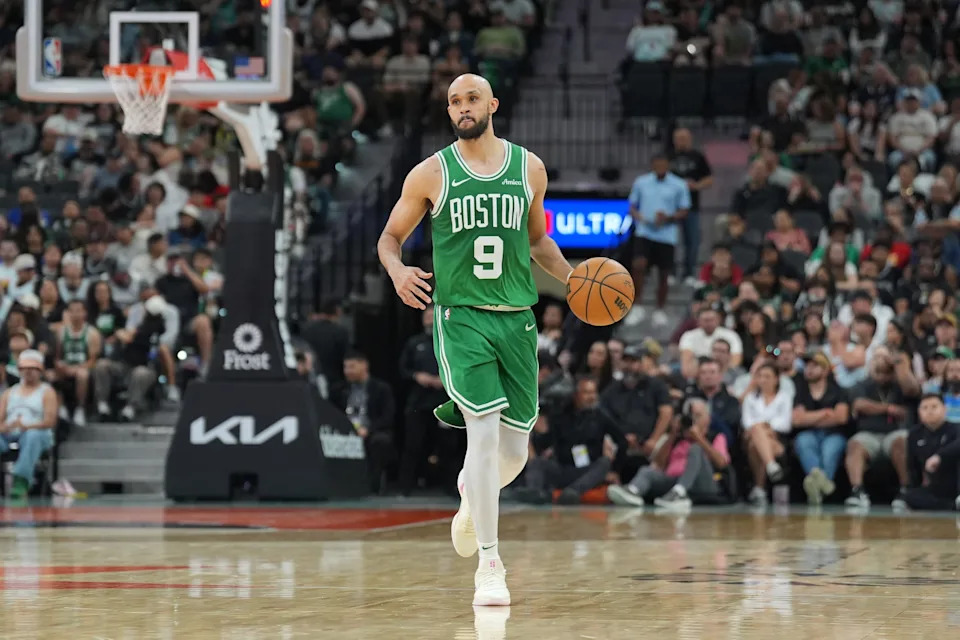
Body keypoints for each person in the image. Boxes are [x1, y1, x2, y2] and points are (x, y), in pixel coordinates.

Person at [377, 74, 576, 606]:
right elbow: (390, 237)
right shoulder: (432, 173)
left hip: (517, 318)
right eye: (453, 103)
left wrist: (573, 280)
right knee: (482, 436)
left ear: (492, 104)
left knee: (512, 456)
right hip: (461, 318)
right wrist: (397, 271)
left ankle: (471, 495)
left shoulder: (529, 168)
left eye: (470, 100)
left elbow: (536, 240)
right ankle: (490, 563)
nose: (462, 109)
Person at [606, 397, 730, 510]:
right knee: (646, 470)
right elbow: (658, 464)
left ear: (708, 418)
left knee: (695, 449)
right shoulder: (677, 438)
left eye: (698, 416)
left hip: (703, 484)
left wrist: (699, 439)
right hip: (673, 482)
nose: (694, 420)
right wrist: (672, 435)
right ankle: (633, 491)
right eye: (691, 416)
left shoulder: (715, 437)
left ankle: (679, 494)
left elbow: (722, 463)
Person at [519, 376, 625, 505]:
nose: (591, 397)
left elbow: (622, 440)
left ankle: (573, 493)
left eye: (593, 392)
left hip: (588, 471)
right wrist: (542, 431)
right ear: (576, 395)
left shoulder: (601, 416)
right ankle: (534, 493)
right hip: (563, 468)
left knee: (604, 462)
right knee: (537, 463)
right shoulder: (559, 416)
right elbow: (544, 443)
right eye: (586, 393)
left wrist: (615, 470)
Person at [844, 349, 921, 509]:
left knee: (901, 441)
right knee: (854, 445)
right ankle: (857, 491)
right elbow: (859, 404)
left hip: (894, 433)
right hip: (869, 434)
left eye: (884, 358)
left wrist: (899, 365)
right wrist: (889, 408)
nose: (882, 373)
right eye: (877, 358)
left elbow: (913, 390)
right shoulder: (863, 384)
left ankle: (905, 490)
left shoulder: (900, 384)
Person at [623, 154, 692, 327]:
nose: (660, 167)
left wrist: (669, 217)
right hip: (645, 232)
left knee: (664, 273)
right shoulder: (641, 182)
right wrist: (639, 216)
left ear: (668, 165)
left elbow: (684, 210)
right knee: (638, 265)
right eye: (657, 164)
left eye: (663, 164)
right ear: (653, 165)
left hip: (666, 234)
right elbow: (632, 206)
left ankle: (660, 309)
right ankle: (636, 305)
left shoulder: (679, 185)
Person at [331, 351, 395, 495]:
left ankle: (373, 487)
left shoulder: (381, 389)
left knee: (381, 441)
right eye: (345, 367)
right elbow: (332, 413)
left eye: (352, 367)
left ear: (364, 366)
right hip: (343, 431)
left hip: (371, 431)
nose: (348, 371)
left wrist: (368, 430)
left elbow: (387, 416)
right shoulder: (339, 389)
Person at [791, 350, 849, 504]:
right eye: (807, 366)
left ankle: (816, 488)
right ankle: (824, 486)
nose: (809, 369)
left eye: (814, 366)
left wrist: (809, 417)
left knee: (830, 450)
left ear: (825, 370)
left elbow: (841, 418)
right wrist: (825, 413)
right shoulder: (800, 392)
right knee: (803, 442)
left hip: (834, 434)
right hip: (808, 434)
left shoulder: (838, 390)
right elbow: (797, 421)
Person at [0, 350, 57, 499]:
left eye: (33, 368)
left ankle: (21, 480)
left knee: (32, 436)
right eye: (25, 368)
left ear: (40, 370)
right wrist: (5, 427)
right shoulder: (9, 393)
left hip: (37, 431)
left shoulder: (47, 392)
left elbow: (49, 421)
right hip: (10, 432)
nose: (28, 372)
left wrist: (27, 426)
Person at [741, 362, 793, 506]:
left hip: (777, 439)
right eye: (760, 376)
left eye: (767, 376)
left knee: (755, 444)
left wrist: (766, 428)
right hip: (753, 436)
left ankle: (759, 488)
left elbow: (785, 423)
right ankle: (771, 465)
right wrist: (762, 428)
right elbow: (746, 423)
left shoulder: (784, 397)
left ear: (776, 379)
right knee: (756, 434)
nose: (763, 380)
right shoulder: (750, 398)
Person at [669, 128, 713, 286]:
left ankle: (689, 273)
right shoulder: (668, 157)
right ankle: (671, 273)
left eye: (684, 138)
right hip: (671, 208)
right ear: (674, 140)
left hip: (691, 207)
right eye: (678, 138)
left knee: (692, 241)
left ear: (690, 139)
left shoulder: (698, 157)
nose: (681, 141)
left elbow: (709, 179)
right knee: (670, 241)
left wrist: (696, 185)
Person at [903, 394, 960, 511]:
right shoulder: (914, 434)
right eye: (925, 408)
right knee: (910, 497)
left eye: (934, 407)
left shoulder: (956, 428)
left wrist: (939, 456)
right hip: (935, 485)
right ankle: (953, 506)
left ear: (944, 409)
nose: (929, 411)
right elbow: (912, 465)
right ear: (919, 412)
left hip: (955, 480)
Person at [54, 299, 101, 427]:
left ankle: (80, 409)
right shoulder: (61, 332)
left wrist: (77, 368)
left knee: (82, 375)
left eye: (78, 311)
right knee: (53, 373)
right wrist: (61, 365)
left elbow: (92, 360)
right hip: (66, 365)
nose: (75, 314)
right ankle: (61, 407)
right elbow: (57, 356)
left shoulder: (92, 333)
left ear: (84, 313)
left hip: (83, 367)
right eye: (72, 311)